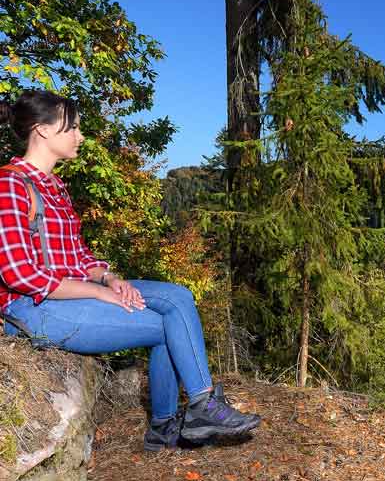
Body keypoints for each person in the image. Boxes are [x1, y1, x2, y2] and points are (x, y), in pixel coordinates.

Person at [0, 90, 260, 451]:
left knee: (179, 298)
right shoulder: (9, 184)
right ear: (42, 131)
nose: (80, 136)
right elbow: (19, 275)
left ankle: (196, 407)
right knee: (170, 328)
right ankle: (167, 425)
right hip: (33, 311)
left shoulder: (55, 185)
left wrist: (109, 278)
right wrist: (97, 292)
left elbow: (78, 257)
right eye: (72, 128)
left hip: (71, 293)